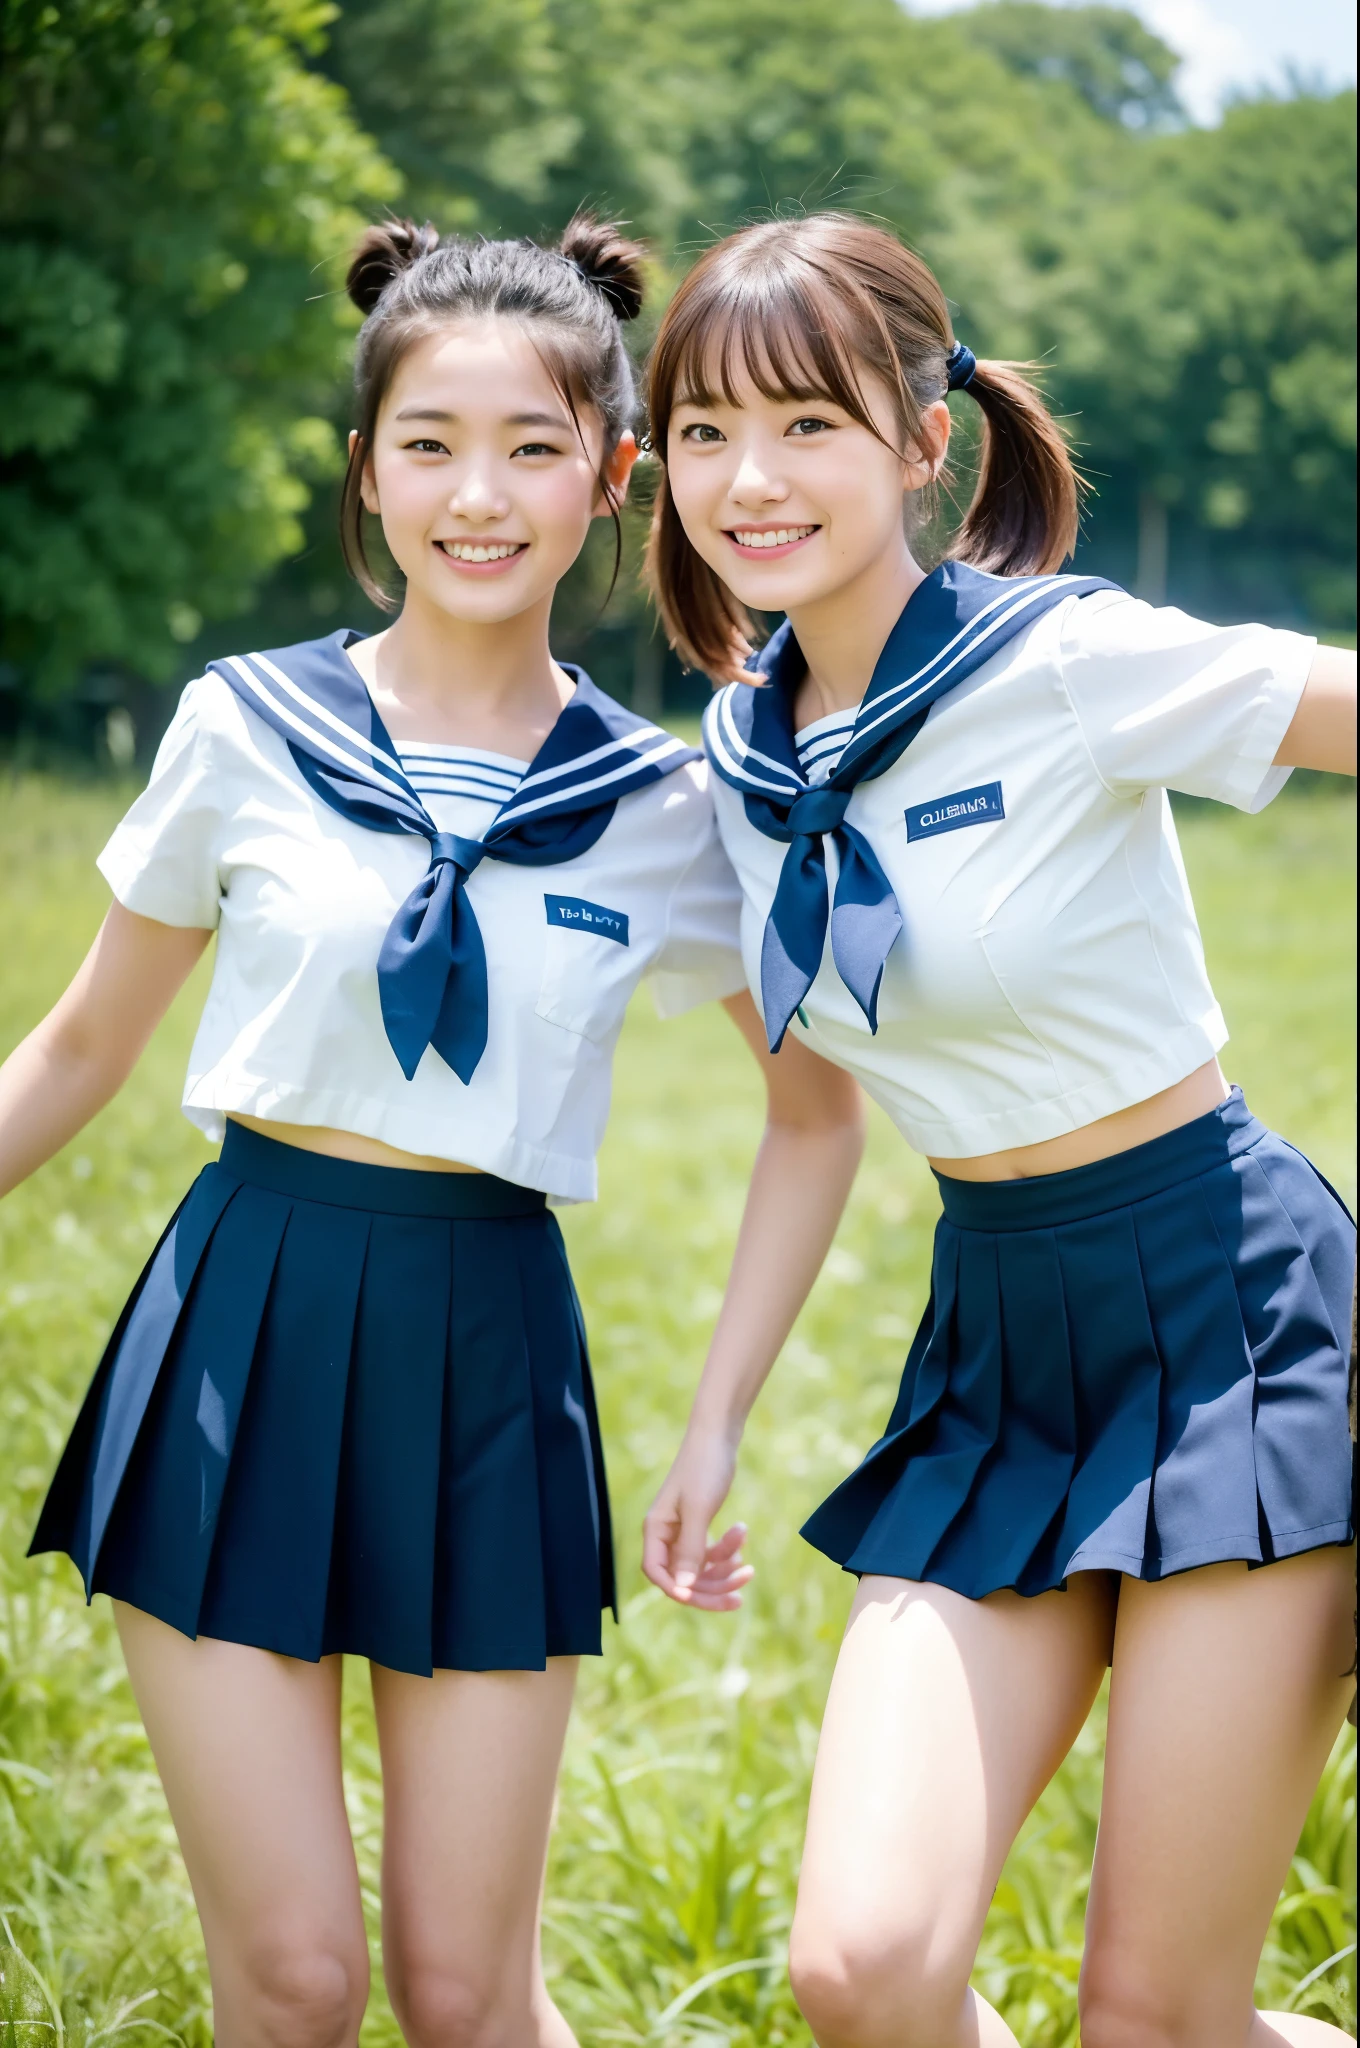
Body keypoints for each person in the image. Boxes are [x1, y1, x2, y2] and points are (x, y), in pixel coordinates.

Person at [0, 213, 864, 2048]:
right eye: (431, 446)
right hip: (244, 1327)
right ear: (367, 471)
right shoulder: (241, 725)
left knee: (471, 1996)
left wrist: (717, 1416)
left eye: (535, 449)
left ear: (614, 478)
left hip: (492, 1357)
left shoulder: (666, 803)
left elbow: (814, 1117)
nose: (481, 496)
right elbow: (79, 1046)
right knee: (298, 1981)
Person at [640, 212, 1357, 2048]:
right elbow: (812, 1123)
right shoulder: (740, 763)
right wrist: (714, 1418)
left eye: (804, 423)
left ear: (917, 435)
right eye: (707, 430)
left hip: (1232, 1320)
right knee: (862, 1972)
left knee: (1155, 2014)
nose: (752, 478)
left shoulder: (1067, 661)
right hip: (1000, 1346)